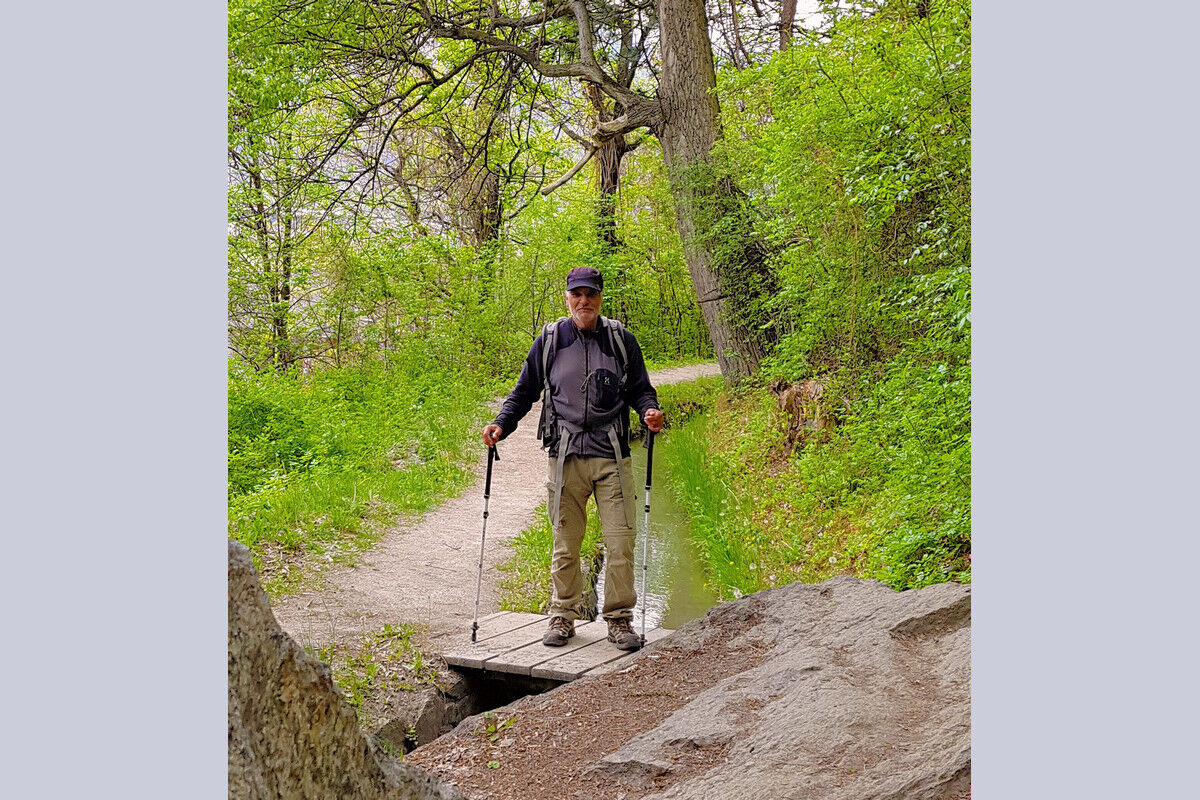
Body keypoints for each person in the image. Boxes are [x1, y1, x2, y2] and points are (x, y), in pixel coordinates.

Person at [481, 267, 665, 650]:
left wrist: (649, 411)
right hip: (565, 457)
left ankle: (619, 619)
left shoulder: (621, 340)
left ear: (600, 297)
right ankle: (563, 615)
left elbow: (641, 389)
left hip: (611, 457)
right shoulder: (550, 341)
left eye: (591, 294)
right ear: (567, 298)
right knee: (566, 544)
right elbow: (524, 392)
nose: (584, 301)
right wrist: (501, 424)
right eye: (577, 294)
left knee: (620, 542)